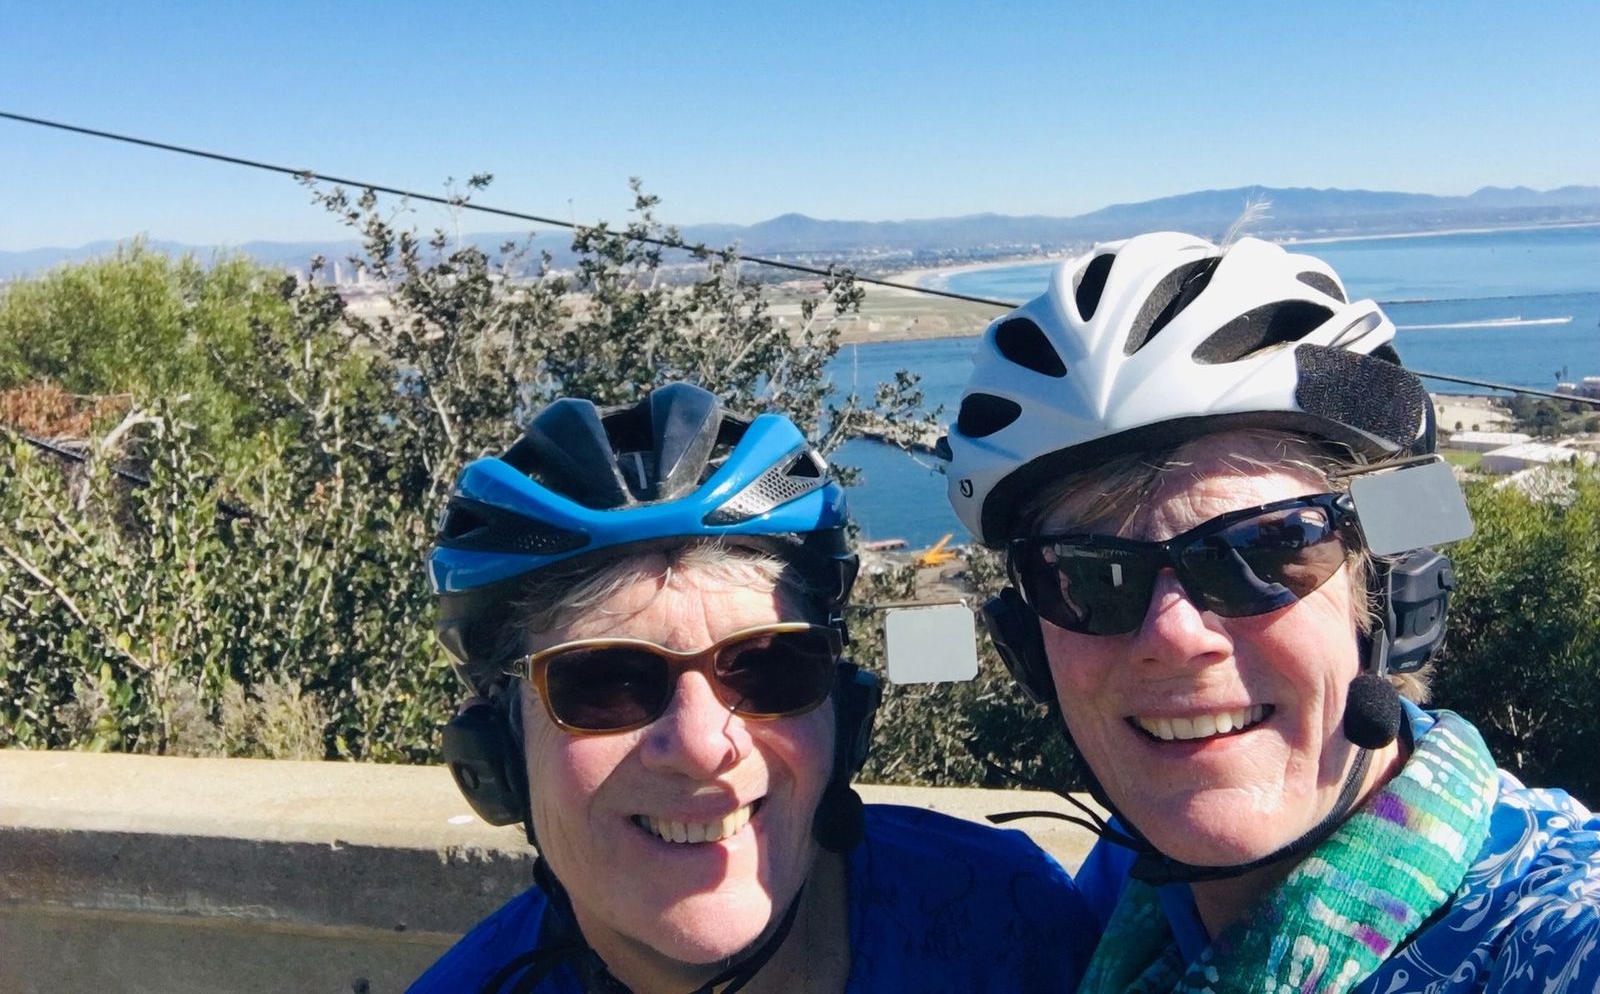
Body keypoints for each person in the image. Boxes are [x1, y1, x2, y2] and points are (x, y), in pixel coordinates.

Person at [942, 232, 1600, 993]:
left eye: (1265, 547)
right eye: (1088, 575)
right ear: (1029, 647)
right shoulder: (1114, 893)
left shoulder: (1557, 934)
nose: (1173, 636)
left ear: (1389, 593)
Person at [410, 381, 1105, 993]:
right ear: (499, 752)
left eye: (768, 667)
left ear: (845, 714)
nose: (701, 747)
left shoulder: (1009, 925)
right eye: (607, 683)